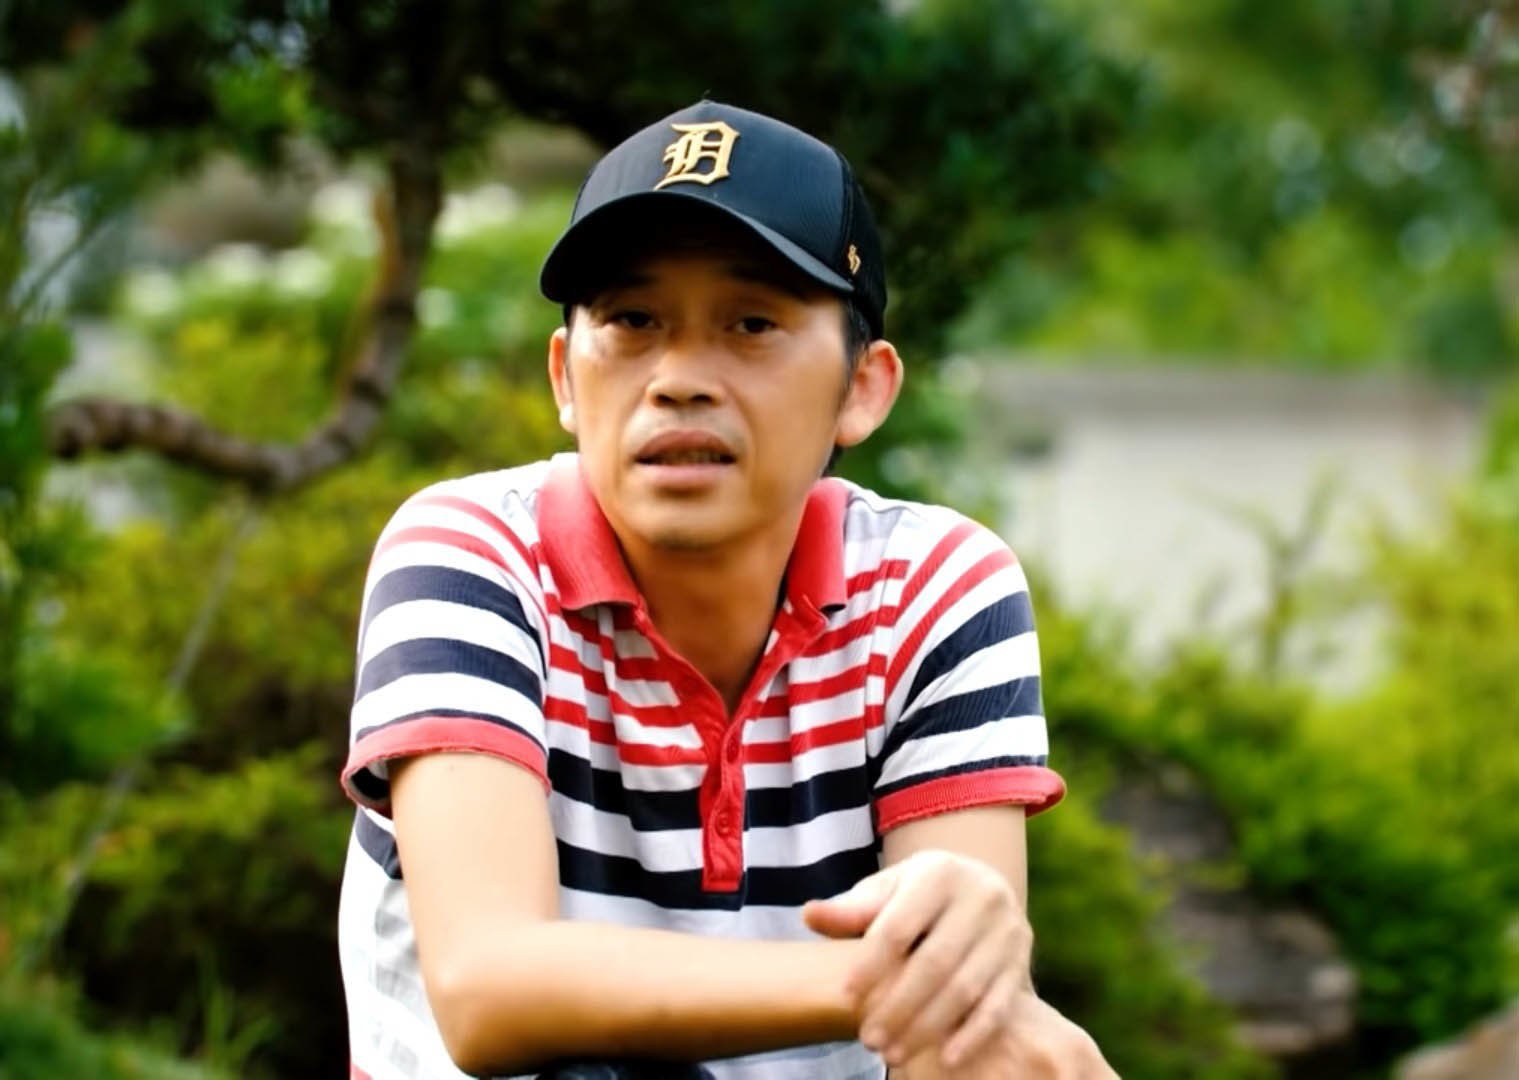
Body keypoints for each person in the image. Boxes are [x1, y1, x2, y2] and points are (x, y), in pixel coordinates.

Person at [337, 100, 1114, 1080]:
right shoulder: (472, 554)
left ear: (863, 387)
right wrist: (898, 980)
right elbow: (488, 986)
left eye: (751, 323)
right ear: (565, 378)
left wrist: (962, 1001)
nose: (678, 379)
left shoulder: (932, 591)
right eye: (631, 321)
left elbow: (964, 1032)